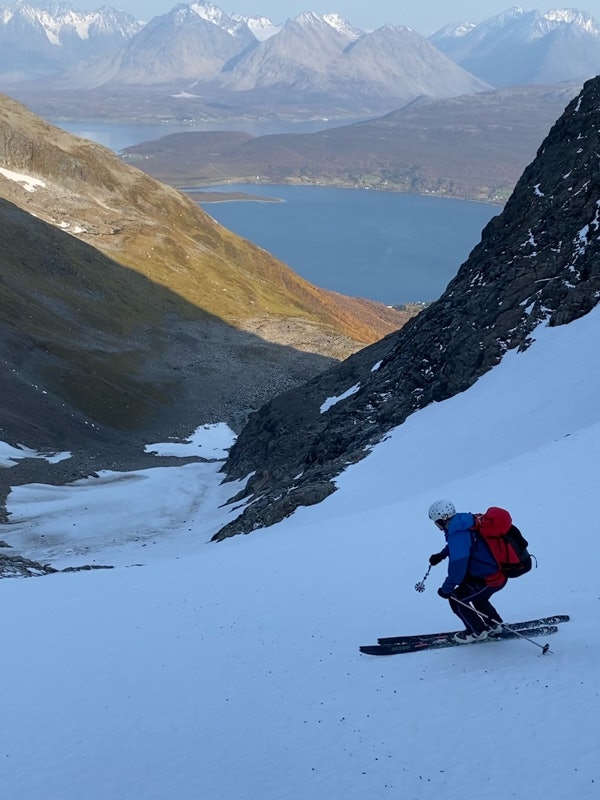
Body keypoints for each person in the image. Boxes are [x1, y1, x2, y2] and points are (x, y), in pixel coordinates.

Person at [427, 499, 507, 644]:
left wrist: (446, 589)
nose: (435, 525)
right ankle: (495, 625)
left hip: (488, 579)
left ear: (442, 519)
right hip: (494, 574)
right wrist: (442, 554)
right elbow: (466, 545)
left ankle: (477, 632)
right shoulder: (465, 523)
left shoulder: (457, 533)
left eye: (435, 521)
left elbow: (457, 569)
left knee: (456, 599)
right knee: (478, 598)